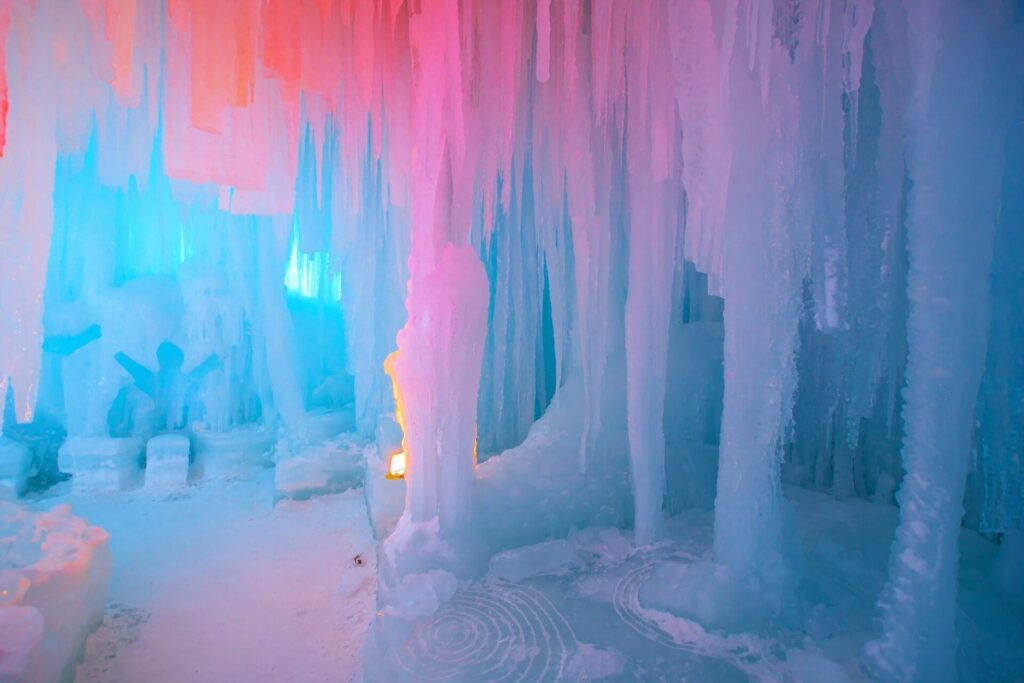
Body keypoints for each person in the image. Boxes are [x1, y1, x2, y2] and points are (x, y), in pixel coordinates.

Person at [114, 341, 220, 433]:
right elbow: (133, 367)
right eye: (164, 360)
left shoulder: (156, 381)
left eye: (170, 361)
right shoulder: (158, 381)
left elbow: (134, 368)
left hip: (174, 431)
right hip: (165, 431)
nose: (166, 364)